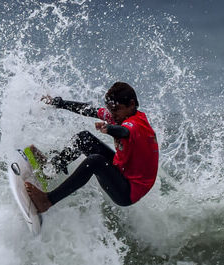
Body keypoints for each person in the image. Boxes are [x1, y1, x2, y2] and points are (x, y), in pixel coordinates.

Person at [25, 81, 159, 213]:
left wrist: (109, 129)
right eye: (110, 110)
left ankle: (47, 200)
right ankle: (52, 168)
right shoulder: (119, 115)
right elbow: (88, 110)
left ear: (131, 104)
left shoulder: (137, 124)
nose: (112, 115)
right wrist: (59, 103)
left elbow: (124, 131)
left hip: (128, 192)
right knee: (84, 138)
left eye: (116, 110)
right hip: (122, 170)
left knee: (95, 161)